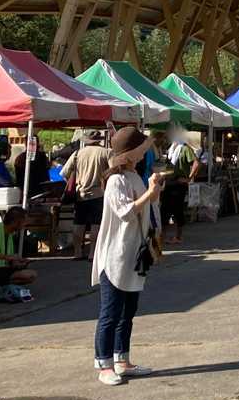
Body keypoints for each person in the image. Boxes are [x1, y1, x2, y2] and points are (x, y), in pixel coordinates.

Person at [92, 126, 162, 386]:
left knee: (128, 311)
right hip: (115, 254)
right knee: (110, 312)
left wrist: (153, 192)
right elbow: (125, 212)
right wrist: (149, 194)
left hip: (133, 252)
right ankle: (104, 363)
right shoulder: (116, 180)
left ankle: (122, 359)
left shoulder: (133, 176)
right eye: (141, 150)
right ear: (130, 153)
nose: (144, 154)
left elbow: (147, 207)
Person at [63, 129, 114, 261]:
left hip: (80, 193)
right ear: (99, 140)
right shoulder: (106, 152)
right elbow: (114, 171)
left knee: (79, 223)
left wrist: (75, 182)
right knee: (96, 223)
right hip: (99, 193)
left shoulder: (77, 153)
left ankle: (77, 252)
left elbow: (64, 173)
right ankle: (92, 253)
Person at [159, 131, 196, 246]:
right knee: (164, 210)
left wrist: (189, 178)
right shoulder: (171, 148)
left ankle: (178, 236)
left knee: (177, 210)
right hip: (169, 182)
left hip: (179, 183)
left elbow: (196, 162)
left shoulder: (185, 148)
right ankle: (162, 236)